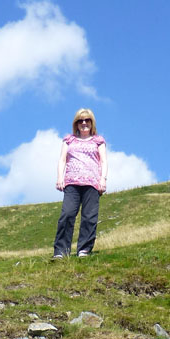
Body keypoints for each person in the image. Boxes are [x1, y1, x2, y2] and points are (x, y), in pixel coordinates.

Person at [52, 108, 108, 259]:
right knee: (67, 214)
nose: (84, 123)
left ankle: (84, 249)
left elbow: (103, 161)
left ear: (92, 123)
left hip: (92, 183)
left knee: (89, 216)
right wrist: (59, 178)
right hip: (72, 182)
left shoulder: (98, 140)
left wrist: (103, 179)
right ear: (76, 124)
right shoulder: (69, 140)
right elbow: (62, 159)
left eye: (87, 120)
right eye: (80, 121)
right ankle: (60, 251)